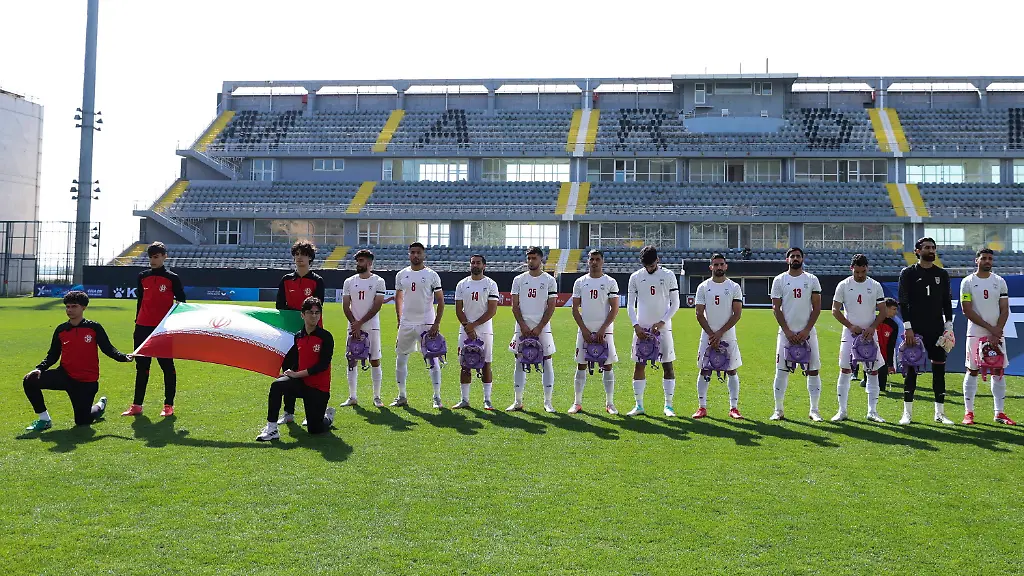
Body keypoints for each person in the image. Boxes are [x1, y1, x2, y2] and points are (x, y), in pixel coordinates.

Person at [23, 290, 133, 431]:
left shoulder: (94, 327)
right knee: (29, 380)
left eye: (74, 306)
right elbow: (53, 355)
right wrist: (39, 368)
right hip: (65, 375)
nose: (69, 310)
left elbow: (108, 348)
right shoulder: (61, 330)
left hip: (86, 382)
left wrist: (123, 357)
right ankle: (44, 420)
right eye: (67, 307)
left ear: (83, 307)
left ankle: (100, 406)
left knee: (82, 421)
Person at [257, 297, 336, 440]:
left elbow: (322, 365)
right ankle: (272, 429)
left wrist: (296, 374)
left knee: (315, 429)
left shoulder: (326, 337)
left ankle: (328, 417)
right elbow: (298, 360)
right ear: (302, 315)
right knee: (277, 385)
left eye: (317, 312)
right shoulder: (298, 336)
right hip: (302, 383)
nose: (314, 316)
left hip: (319, 388)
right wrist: (288, 373)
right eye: (310, 312)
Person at [122, 242, 186, 417]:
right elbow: (140, 301)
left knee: (167, 367)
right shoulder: (142, 276)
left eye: (156, 257)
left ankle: (168, 405)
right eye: (150, 257)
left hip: (163, 328)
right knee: (142, 368)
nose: (153, 260)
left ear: (164, 256)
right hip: (142, 327)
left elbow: (182, 302)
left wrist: (176, 325)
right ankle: (136, 405)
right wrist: (137, 321)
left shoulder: (173, 278)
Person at [897, 237, 954, 425]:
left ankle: (940, 413)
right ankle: (907, 413)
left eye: (933, 247)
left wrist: (949, 326)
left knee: (939, 370)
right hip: (916, 329)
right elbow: (903, 302)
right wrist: (908, 328)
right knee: (911, 369)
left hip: (937, 329)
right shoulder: (908, 273)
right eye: (926, 247)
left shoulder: (942, 274)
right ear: (917, 251)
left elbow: (947, 301)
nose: (930, 250)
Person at [959, 248, 1016, 426]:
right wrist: (990, 329)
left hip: (997, 333)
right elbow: (966, 309)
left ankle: (999, 413)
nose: (987, 261)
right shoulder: (967, 282)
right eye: (984, 258)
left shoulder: (999, 281)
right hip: (976, 333)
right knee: (972, 370)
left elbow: (1005, 308)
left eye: (990, 258)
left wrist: (997, 329)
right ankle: (969, 413)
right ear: (977, 260)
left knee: (998, 371)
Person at [831, 254, 887, 422]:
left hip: (870, 335)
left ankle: (872, 411)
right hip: (850, 334)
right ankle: (842, 411)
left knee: (873, 370)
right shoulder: (843, 285)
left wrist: (872, 327)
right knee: (845, 370)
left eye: (863, 271)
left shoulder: (875, 286)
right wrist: (850, 326)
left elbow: (883, 311)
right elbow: (835, 309)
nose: (860, 275)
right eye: (857, 272)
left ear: (867, 269)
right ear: (851, 269)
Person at [275, 240, 326, 422]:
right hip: (289, 334)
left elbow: (317, 307)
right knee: (289, 370)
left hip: (311, 335)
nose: (299, 258)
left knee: (310, 372)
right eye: (296, 254)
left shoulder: (316, 281)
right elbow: (279, 305)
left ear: (310, 258)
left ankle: (311, 411)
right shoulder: (286, 280)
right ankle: (288, 413)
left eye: (303, 254)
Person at [770, 247, 823, 421]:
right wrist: (787, 330)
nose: (795, 258)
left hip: (808, 333)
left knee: (813, 370)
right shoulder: (779, 280)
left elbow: (817, 307)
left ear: (803, 259)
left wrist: (807, 330)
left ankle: (814, 410)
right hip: (786, 333)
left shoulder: (812, 279)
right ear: (787, 260)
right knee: (781, 371)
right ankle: (778, 410)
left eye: (798, 256)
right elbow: (776, 308)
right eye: (792, 256)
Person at [626, 245, 680, 417]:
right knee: (639, 365)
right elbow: (630, 305)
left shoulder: (669, 275)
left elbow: (675, 303)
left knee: (668, 365)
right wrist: (635, 325)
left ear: (657, 259)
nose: (649, 268)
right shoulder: (635, 277)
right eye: (645, 266)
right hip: (641, 329)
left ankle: (669, 406)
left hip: (663, 329)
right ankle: (639, 405)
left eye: (651, 265)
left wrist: (662, 322)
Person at [392, 242, 445, 408]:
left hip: (426, 323)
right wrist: (399, 319)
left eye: (418, 252)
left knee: (433, 361)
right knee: (401, 359)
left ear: (424, 255)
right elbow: (398, 297)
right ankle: (401, 396)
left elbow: (441, 301)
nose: (415, 255)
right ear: (409, 254)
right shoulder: (401, 274)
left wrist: (436, 323)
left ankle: (437, 397)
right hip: (406, 323)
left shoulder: (432, 275)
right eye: (412, 252)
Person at [508, 246, 558, 412]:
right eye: (528, 258)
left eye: (534, 258)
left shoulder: (549, 280)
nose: (530, 261)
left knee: (547, 360)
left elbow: (551, 307)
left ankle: (548, 402)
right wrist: (523, 325)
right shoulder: (518, 280)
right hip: (521, 326)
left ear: (541, 259)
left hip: (542, 327)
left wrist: (539, 327)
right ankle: (518, 401)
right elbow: (514, 306)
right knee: (519, 360)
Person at [693, 253, 743, 419]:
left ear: (726, 266)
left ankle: (734, 408)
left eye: (722, 264)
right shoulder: (703, 287)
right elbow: (699, 314)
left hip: (728, 335)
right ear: (711, 267)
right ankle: (702, 407)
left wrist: (720, 333)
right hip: (707, 335)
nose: (719, 267)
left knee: (732, 370)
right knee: (704, 369)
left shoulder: (734, 287)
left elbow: (737, 314)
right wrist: (711, 334)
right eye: (716, 265)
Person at [570, 249, 620, 415]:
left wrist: (603, 328)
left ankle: (610, 403)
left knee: (607, 365)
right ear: (588, 261)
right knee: (581, 364)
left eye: (597, 259)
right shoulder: (580, 282)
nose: (594, 262)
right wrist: (584, 329)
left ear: (602, 261)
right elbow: (575, 308)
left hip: (605, 330)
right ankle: (577, 403)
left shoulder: (610, 281)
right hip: (584, 330)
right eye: (591, 259)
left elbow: (614, 308)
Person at [339, 249, 386, 408]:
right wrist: (354, 324)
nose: (358, 263)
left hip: (372, 327)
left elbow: (377, 306)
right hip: (352, 328)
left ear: (370, 263)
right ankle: (352, 396)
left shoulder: (379, 281)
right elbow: (346, 306)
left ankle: (377, 397)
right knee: (351, 359)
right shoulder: (349, 281)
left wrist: (360, 323)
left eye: (361, 260)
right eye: (357, 260)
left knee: (375, 360)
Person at [453, 254, 500, 410]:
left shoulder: (491, 284)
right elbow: (458, 309)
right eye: (473, 262)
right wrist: (467, 326)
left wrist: (474, 325)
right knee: (465, 363)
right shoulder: (461, 284)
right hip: (465, 329)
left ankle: (487, 400)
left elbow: (492, 310)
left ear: (484, 266)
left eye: (478, 263)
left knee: (486, 364)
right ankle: (464, 399)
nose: (475, 265)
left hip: (485, 330)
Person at [875, 298, 900, 393]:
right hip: (870, 356)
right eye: (894, 309)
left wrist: (890, 364)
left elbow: (891, 346)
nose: (896, 312)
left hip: (883, 359)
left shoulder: (894, 326)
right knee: (870, 386)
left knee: (881, 388)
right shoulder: (873, 320)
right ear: (886, 308)